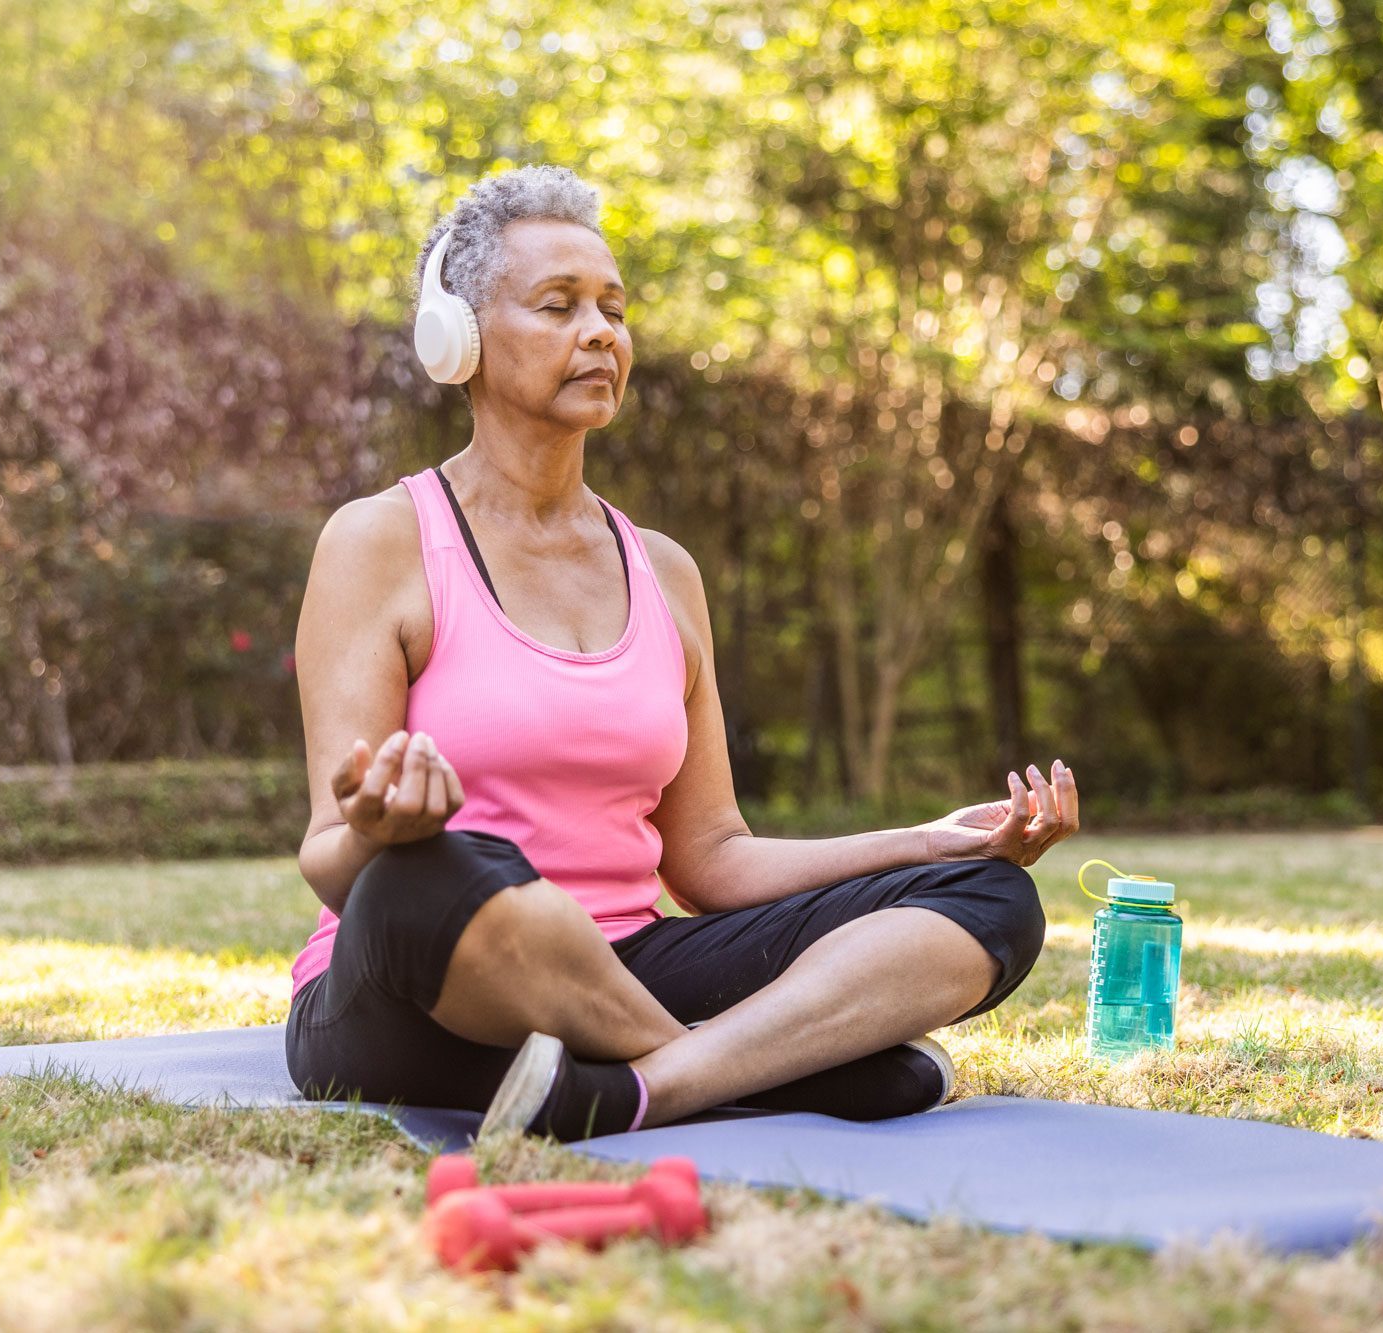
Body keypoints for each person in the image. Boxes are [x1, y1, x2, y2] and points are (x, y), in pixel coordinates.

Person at [284, 164, 1080, 1142]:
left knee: (989, 898)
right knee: (438, 874)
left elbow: (711, 859)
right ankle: (762, 1070)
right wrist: (380, 830)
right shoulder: (378, 541)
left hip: (625, 962)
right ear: (457, 339)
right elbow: (331, 861)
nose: (599, 334)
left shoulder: (661, 570)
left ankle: (640, 1086)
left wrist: (929, 841)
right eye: (557, 305)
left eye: (612, 309)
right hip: (420, 985)